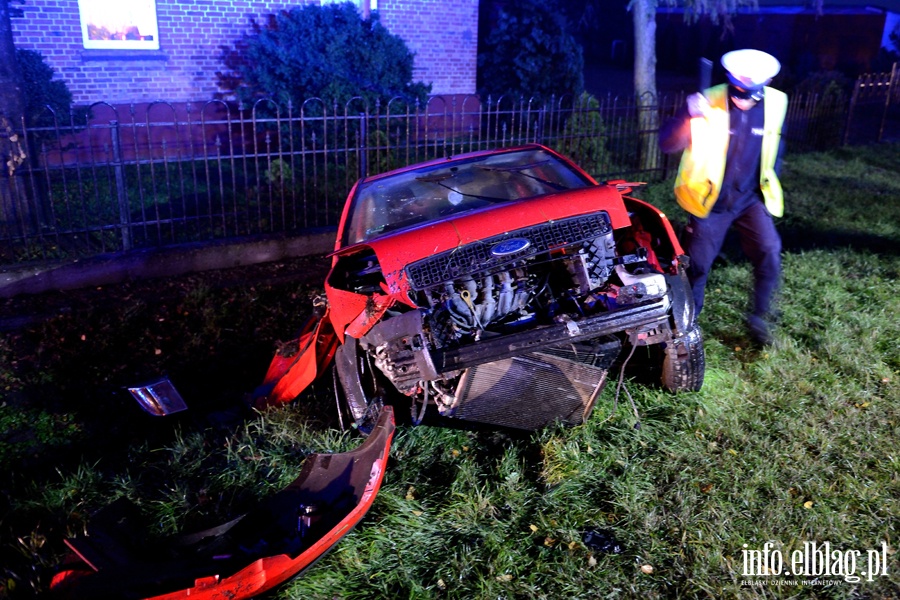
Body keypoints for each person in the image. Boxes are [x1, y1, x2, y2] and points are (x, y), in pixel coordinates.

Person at [659, 49, 788, 345]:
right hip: (709, 200)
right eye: (738, 93)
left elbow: (776, 144)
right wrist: (688, 115)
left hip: (750, 199)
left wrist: (770, 177)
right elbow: (668, 144)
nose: (743, 102)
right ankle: (687, 327)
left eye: (751, 96)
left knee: (769, 252)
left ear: (765, 84)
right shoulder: (709, 99)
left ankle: (759, 319)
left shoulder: (777, 102)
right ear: (731, 82)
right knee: (698, 266)